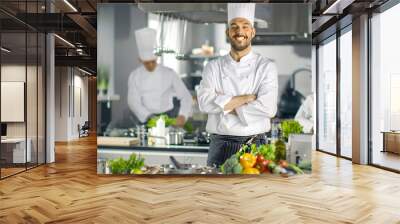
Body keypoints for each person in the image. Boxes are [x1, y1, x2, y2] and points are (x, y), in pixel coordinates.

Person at [197, 3, 278, 167]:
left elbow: (268, 108)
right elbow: (204, 103)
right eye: (234, 27)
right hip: (220, 145)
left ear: (252, 32)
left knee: (255, 192)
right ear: (228, 32)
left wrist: (223, 105)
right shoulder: (213, 66)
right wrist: (246, 98)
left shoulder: (266, 66)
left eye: (245, 26)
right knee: (218, 192)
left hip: (255, 144)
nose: (239, 32)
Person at [127, 27, 192, 127]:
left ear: (156, 58)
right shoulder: (135, 76)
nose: (151, 65)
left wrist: (183, 115)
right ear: (140, 60)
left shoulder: (169, 73)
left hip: (168, 118)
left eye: (153, 62)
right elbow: (133, 101)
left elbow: (185, 96)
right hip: (146, 119)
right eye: (147, 63)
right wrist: (149, 116)